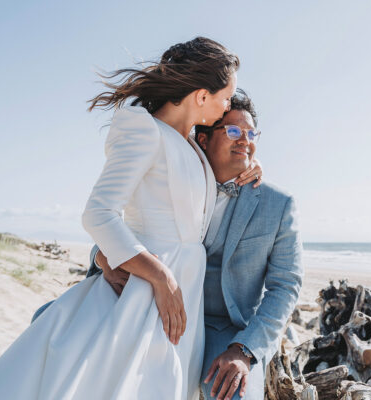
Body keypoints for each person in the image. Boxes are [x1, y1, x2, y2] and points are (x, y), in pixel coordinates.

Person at [0, 37, 262, 400]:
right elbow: (98, 212)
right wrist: (160, 278)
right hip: (145, 290)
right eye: (224, 98)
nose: (226, 107)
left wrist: (253, 165)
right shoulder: (144, 130)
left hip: (184, 291)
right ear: (201, 96)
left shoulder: (191, 143)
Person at [88, 89, 303, 400]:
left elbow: (286, 286)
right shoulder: (174, 175)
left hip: (223, 327)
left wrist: (245, 350)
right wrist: (102, 258)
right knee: (56, 331)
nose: (245, 140)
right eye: (232, 131)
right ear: (203, 140)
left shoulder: (278, 204)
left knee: (232, 393)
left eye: (251, 133)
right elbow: (121, 224)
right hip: (151, 303)